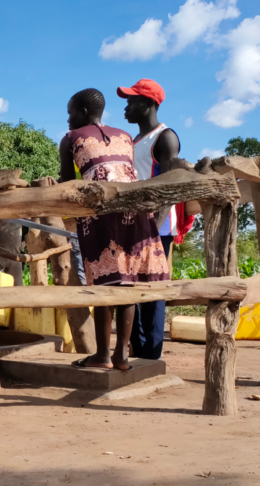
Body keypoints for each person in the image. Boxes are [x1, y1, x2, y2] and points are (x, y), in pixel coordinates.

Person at [58, 88, 170, 370]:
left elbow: (66, 183)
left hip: (101, 214)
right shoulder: (123, 136)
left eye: (70, 112)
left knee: (103, 284)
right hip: (135, 213)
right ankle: (121, 355)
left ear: (83, 113)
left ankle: (102, 355)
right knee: (127, 283)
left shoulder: (71, 138)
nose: (68, 119)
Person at [119, 78, 181, 360]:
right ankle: (137, 350)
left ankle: (151, 355)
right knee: (130, 287)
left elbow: (168, 188)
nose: (126, 107)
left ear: (148, 104)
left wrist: (154, 229)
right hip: (133, 224)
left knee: (153, 290)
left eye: (131, 101)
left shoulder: (165, 137)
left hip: (157, 226)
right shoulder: (134, 141)